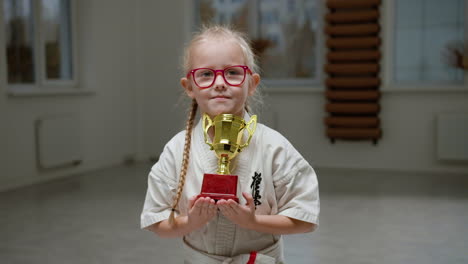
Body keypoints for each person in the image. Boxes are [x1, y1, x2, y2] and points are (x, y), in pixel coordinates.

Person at [140, 25, 320, 264]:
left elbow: (305, 219)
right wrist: (191, 222)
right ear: (189, 87)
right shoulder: (177, 150)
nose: (220, 83)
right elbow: (156, 222)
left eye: (233, 72)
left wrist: (253, 222)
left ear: (252, 83)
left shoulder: (274, 147)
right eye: (206, 74)